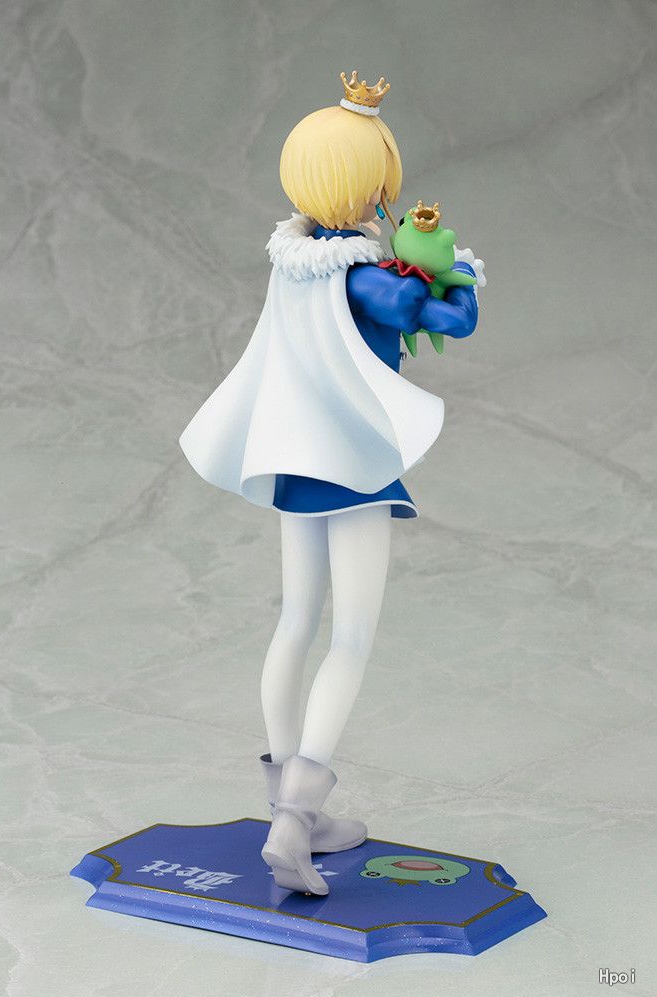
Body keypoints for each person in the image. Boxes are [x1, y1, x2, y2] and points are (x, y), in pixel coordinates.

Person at [179, 71, 483, 896]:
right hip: (351, 470)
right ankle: (294, 819)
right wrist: (451, 269)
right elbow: (453, 320)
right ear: (371, 185)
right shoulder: (367, 277)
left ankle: (290, 807)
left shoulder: (294, 263)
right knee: (348, 637)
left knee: (294, 623)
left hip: (291, 462)